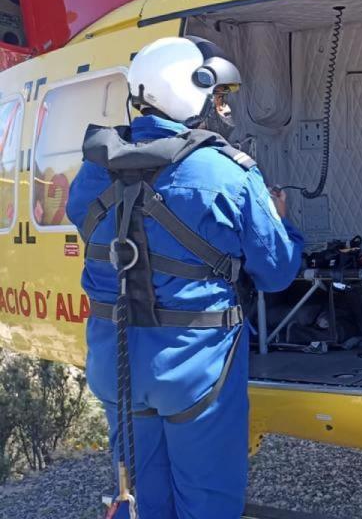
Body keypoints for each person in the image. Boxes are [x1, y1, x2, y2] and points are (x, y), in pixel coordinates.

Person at [67, 36, 304, 518]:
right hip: (196, 370)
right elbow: (277, 272)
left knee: (145, 503)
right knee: (208, 503)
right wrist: (280, 218)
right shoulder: (228, 172)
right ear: (192, 94)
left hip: (116, 366)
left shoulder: (90, 174)